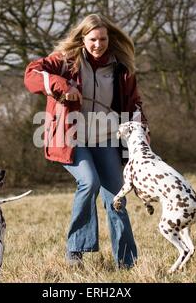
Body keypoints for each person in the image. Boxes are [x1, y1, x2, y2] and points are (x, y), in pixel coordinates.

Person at [23, 14, 148, 269]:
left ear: (109, 39)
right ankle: (75, 252)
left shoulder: (121, 68)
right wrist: (61, 85)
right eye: (92, 39)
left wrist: (140, 132)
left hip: (105, 139)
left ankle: (127, 263)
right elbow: (31, 74)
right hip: (72, 138)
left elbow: (134, 103)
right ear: (82, 39)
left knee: (117, 198)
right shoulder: (65, 62)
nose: (98, 44)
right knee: (89, 181)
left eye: (102, 39)